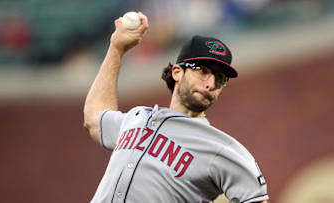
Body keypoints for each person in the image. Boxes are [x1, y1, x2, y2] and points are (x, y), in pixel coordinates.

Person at [83, 12, 269, 203]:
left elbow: (256, 198)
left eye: (220, 78)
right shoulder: (136, 118)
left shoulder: (220, 147)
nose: (211, 83)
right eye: (203, 71)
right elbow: (93, 118)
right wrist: (116, 47)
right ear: (177, 72)